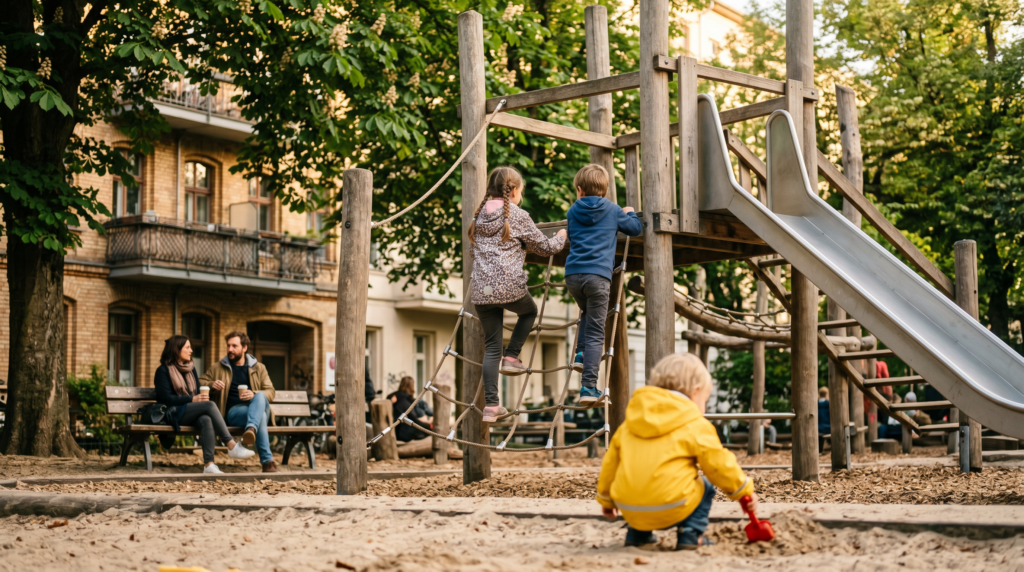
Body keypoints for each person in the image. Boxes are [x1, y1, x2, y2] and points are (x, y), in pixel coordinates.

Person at [596, 353, 757, 550]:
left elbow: (611, 463)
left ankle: (637, 535)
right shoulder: (694, 423)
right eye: (704, 400)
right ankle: (690, 534)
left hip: (630, 509)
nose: (704, 408)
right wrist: (743, 491)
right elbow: (718, 465)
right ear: (695, 391)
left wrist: (606, 499)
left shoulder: (631, 422)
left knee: (638, 478)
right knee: (705, 485)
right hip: (673, 507)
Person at [469, 166, 567, 422]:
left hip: (481, 290)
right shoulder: (518, 215)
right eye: (519, 191)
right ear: (512, 191)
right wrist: (561, 236)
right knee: (530, 311)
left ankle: (491, 406)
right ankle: (512, 356)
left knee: (491, 347)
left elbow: (475, 252)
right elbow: (545, 248)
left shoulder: (477, 218)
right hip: (509, 286)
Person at [565, 164, 643, 404]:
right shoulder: (612, 209)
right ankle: (589, 387)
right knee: (597, 330)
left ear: (579, 190)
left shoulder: (572, 210)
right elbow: (635, 229)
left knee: (586, 312)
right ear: (605, 190)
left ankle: (580, 353)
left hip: (573, 276)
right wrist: (629, 212)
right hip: (598, 277)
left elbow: (572, 232)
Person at [154, 335, 255, 474]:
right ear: (176, 350)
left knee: (206, 419)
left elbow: (195, 391)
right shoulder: (163, 371)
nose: (191, 351)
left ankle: (209, 465)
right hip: (173, 413)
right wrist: (192, 399)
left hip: (188, 412)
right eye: (187, 347)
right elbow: (166, 399)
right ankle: (231, 445)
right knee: (209, 405)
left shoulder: (191, 369)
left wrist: (199, 396)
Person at [199, 331, 278, 473]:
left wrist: (253, 393)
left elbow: (270, 392)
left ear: (244, 348)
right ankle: (267, 462)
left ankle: (251, 429)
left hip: (257, 408)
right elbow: (200, 382)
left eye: (234, 346)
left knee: (259, 396)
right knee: (261, 417)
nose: (230, 349)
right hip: (234, 413)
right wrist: (211, 384)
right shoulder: (218, 368)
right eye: (228, 346)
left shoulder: (259, 368)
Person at [388, 376, 433, 442]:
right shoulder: (408, 400)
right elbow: (414, 419)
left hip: (394, 430)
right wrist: (429, 426)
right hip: (404, 433)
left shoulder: (392, 396)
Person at [818, 386, 831, 453]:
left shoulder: (816, 404)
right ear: (827, 394)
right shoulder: (830, 404)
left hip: (818, 428)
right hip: (829, 428)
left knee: (819, 436)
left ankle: (819, 450)